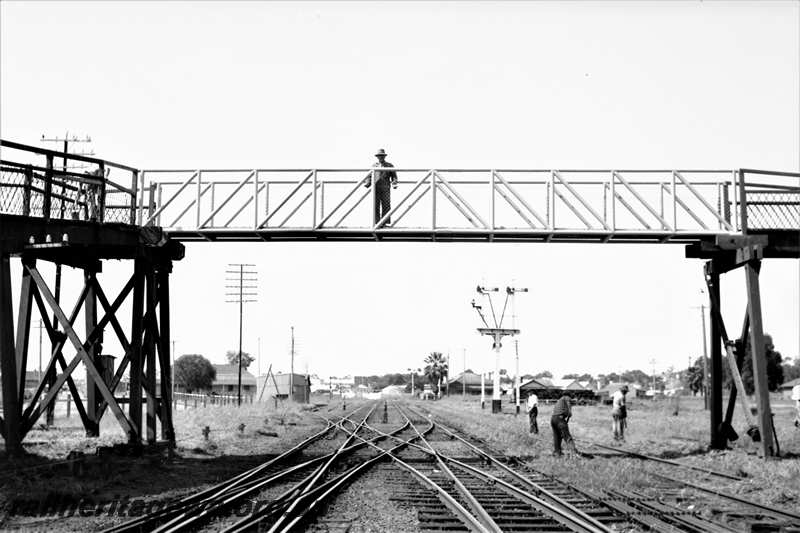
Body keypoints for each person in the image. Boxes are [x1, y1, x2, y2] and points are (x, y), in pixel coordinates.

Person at [363, 148, 398, 227]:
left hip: (386, 187)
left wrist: (394, 183)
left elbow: (394, 176)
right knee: (376, 205)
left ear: (384, 156)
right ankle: (377, 223)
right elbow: (369, 175)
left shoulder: (389, 165)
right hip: (376, 187)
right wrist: (367, 182)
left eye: (382, 156)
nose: (381, 157)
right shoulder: (374, 165)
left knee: (386, 205)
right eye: (379, 156)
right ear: (377, 157)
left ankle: (385, 223)